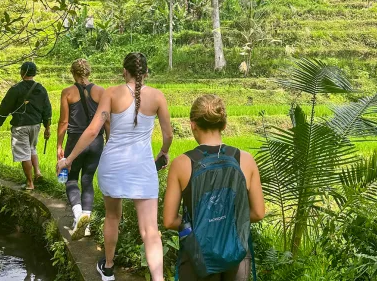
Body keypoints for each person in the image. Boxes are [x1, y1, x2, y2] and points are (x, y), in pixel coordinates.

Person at [56, 52, 173, 281]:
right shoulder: (158, 97)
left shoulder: (111, 93)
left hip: (113, 166)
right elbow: (168, 135)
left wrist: (68, 159)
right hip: (143, 168)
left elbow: (92, 131)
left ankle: (108, 267)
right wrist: (163, 153)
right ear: (147, 73)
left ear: (124, 71)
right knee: (150, 230)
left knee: (112, 217)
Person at [163, 94, 265, 281]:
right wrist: (228, 220)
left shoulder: (182, 164)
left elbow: (169, 220)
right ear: (224, 125)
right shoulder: (246, 160)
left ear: (193, 124)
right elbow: (258, 213)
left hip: (198, 255)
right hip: (236, 252)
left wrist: (203, 222)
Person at [57, 59, 108, 241]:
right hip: (96, 142)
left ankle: (78, 216)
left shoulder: (67, 92)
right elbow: (107, 120)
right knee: (87, 179)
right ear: (88, 72)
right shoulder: (101, 91)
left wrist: (59, 146)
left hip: (75, 141)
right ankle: (85, 222)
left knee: (71, 179)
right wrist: (108, 142)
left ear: (73, 73)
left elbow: (63, 122)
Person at [0, 61, 52, 190]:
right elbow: (47, 110)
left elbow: (5, 107)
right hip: (36, 125)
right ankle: (37, 172)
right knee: (32, 148)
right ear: (34, 73)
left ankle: (29, 183)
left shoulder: (16, 89)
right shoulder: (41, 89)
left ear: (22, 73)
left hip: (21, 126)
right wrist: (47, 128)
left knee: (24, 154)